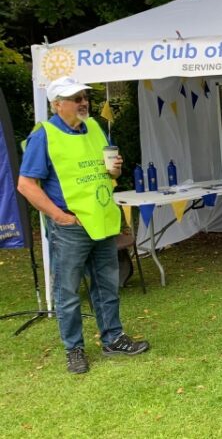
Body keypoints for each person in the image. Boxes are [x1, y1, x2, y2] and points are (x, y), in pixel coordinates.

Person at [17, 76, 150, 374]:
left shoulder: (95, 128)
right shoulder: (44, 135)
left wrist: (113, 171)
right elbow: (26, 185)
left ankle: (113, 339)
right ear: (57, 105)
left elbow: (104, 173)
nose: (83, 102)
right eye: (75, 98)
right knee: (67, 290)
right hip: (70, 224)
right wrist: (59, 216)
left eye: (84, 96)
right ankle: (74, 349)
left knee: (107, 284)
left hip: (100, 219)